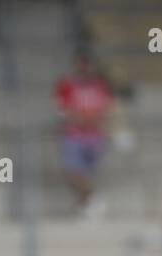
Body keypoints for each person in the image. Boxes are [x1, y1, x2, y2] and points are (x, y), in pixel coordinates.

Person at [55, 52, 115, 217]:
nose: (83, 69)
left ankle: (85, 205)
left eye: (85, 65)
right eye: (79, 65)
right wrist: (78, 119)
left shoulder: (100, 86)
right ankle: (92, 199)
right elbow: (63, 110)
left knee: (86, 173)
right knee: (74, 170)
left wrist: (96, 121)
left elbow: (107, 109)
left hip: (95, 136)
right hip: (74, 135)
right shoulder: (67, 85)